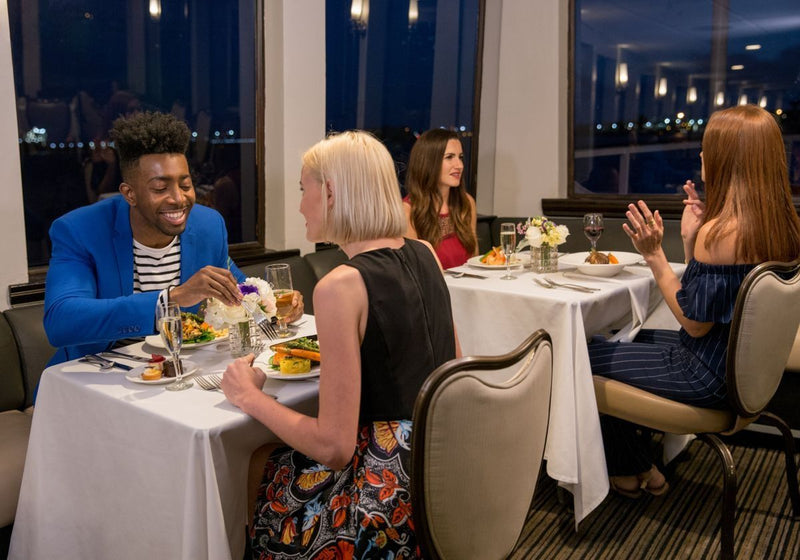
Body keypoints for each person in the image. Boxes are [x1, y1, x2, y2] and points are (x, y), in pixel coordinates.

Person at [221, 130, 461, 558]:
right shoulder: (427, 252)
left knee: (253, 462)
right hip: (440, 472)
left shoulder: (340, 286)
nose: (299, 204)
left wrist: (247, 396)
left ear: (330, 192)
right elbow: (454, 371)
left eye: (302, 189)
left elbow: (334, 448)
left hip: (385, 499)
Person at [588, 104, 800, 497]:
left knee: (580, 355)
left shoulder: (722, 233)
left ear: (727, 157)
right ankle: (638, 463)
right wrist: (691, 241)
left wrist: (654, 255)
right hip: (744, 371)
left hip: (705, 372)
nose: (702, 155)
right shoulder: (783, 225)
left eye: (708, 148)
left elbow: (693, 322)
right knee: (625, 339)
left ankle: (627, 466)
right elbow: (713, 304)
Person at [44, 111, 303, 364]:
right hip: (96, 376)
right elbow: (61, 321)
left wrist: (269, 303)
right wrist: (169, 300)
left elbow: (236, 289)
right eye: (160, 188)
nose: (179, 198)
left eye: (185, 184)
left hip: (181, 369)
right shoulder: (80, 230)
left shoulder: (208, 225)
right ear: (129, 194)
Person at [403, 128, 477, 268]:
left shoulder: (467, 203)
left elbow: (474, 263)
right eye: (449, 157)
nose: (459, 165)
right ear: (429, 162)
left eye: (460, 157)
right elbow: (413, 272)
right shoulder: (407, 211)